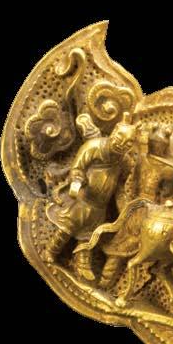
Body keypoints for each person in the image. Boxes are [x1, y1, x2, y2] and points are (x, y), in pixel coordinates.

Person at [44, 115, 137, 281]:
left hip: (100, 207)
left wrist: (124, 207)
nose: (121, 144)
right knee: (67, 228)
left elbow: (120, 186)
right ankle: (50, 251)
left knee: (89, 238)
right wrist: (77, 181)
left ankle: (82, 266)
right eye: (119, 138)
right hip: (82, 199)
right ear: (113, 133)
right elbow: (78, 168)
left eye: (128, 143)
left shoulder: (124, 161)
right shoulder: (94, 147)